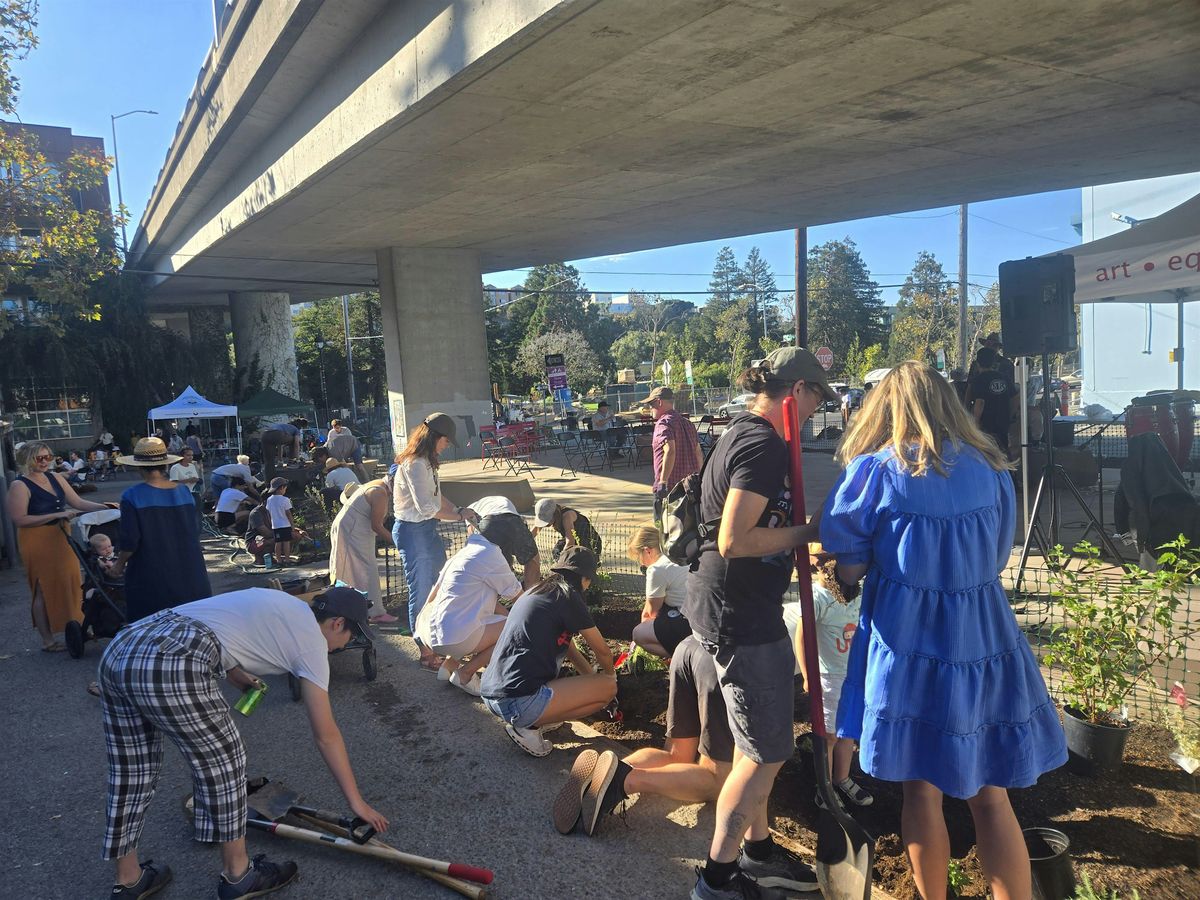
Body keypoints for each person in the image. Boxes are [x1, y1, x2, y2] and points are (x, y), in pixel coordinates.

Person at [820, 361, 1068, 900]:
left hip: (909, 643)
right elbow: (999, 554)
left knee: (921, 792)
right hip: (985, 636)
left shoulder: (876, 472)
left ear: (885, 408)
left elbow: (849, 568)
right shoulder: (991, 467)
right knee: (992, 796)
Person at [99, 586, 390, 900]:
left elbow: (216, 624)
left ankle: (128, 879)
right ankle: (239, 875)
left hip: (124, 646)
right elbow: (326, 734)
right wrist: (356, 802)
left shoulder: (281, 602)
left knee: (131, 773)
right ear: (337, 624)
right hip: (174, 657)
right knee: (225, 761)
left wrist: (233, 671)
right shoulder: (313, 645)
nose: (343, 646)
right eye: (351, 636)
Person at [685, 346, 834, 900]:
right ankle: (717, 879)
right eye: (818, 397)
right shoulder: (764, 444)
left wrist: (797, 549)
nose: (819, 410)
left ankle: (759, 851)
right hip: (740, 616)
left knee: (755, 745)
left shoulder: (739, 432)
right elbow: (735, 538)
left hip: (729, 605)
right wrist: (809, 533)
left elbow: (745, 532)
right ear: (797, 391)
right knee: (766, 753)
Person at [554, 635, 734, 837]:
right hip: (726, 657)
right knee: (717, 780)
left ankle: (610, 772)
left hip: (690, 646)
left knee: (677, 756)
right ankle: (624, 781)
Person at [481, 547, 616, 757]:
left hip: (494, 695)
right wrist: (610, 679)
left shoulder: (539, 592)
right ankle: (528, 728)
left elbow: (570, 649)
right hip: (518, 702)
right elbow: (603, 651)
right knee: (607, 689)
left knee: (599, 687)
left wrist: (590, 680)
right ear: (585, 578)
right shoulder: (570, 597)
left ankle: (540, 718)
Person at [6, 442, 115, 650]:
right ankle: (48, 640)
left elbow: (78, 502)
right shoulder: (19, 485)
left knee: (73, 581)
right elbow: (19, 519)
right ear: (28, 459)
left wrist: (107, 506)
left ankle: (81, 627)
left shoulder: (55, 477)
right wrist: (57, 514)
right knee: (42, 587)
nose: (46, 461)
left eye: (49, 457)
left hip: (61, 535)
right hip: (36, 538)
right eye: (40, 458)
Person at [392, 413, 478, 670]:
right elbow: (428, 507)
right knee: (421, 589)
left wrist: (460, 509)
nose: (447, 446)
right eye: (446, 441)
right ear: (435, 438)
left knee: (437, 584)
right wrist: (459, 515)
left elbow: (438, 497)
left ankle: (435, 642)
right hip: (414, 530)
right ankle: (424, 650)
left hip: (425, 530)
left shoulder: (427, 462)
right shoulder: (415, 464)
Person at [414, 513, 527, 696]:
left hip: (427, 630)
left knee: (483, 619)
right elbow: (521, 599)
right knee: (516, 629)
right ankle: (465, 674)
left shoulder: (465, 552)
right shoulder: (491, 554)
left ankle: (449, 665)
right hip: (453, 638)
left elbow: (434, 594)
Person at [794, 557, 873, 810]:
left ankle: (843, 779)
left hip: (853, 675)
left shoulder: (857, 595)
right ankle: (824, 788)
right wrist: (808, 674)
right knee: (828, 735)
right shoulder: (818, 598)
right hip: (828, 678)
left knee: (847, 732)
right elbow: (802, 635)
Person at [109, 438, 212, 622]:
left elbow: (130, 542)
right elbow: (193, 529)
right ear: (165, 464)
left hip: (152, 574)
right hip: (190, 571)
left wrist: (118, 565)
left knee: (151, 627)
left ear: (139, 467)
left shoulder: (132, 496)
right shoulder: (184, 492)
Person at [329, 476, 397, 624]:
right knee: (366, 570)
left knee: (356, 570)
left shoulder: (379, 486)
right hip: (352, 531)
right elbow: (377, 526)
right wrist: (397, 542)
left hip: (353, 529)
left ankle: (356, 609)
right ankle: (375, 612)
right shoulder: (380, 492)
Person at [626, 524, 690, 659]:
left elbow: (651, 612)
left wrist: (637, 642)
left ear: (647, 551)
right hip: (701, 616)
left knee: (639, 634)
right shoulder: (678, 554)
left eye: (639, 558)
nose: (642, 564)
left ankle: (681, 657)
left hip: (687, 621)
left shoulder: (657, 569)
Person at [468, 495, 542, 588]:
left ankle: (494, 593)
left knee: (486, 563)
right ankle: (530, 594)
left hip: (489, 523)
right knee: (531, 560)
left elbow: (472, 538)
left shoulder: (471, 509)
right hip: (512, 520)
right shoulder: (473, 508)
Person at [646, 386, 702, 499]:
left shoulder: (663, 424)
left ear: (659, 402)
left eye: (651, 404)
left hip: (670, 486)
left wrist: (662, 482)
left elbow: (670, 450)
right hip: (689, 485)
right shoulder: (687, 423)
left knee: (662, 517)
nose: (650, 408)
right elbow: (698, 452)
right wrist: (701, 477)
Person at [967, 346, 1019, 456]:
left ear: (977, 363)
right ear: (994, 362)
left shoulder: (978, 380)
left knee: (987, 453)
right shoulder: (1004, 377)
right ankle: (1007, 471)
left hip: (986, 423)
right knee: (1003, 450)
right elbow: (1015, 397)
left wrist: (975, 424)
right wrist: (1010, 414)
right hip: (1003, 420)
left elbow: (980, 402)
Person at [531, 497, 602, 562]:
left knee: (575, 559)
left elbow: (570, 541)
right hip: (574, 539)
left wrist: (562, 560)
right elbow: (533, 532)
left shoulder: (567, 516)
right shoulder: (545, 514)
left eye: (547, 520)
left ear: (554, 514)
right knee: (557, 551)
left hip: (589, 542)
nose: (545, 523)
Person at [265, 477, 302, 564]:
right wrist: (292, 526)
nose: (285, 490)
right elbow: (288, 514)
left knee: (278, 542)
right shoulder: (285, 500)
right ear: (281, 488)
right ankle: (287, 559)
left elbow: (268, 512)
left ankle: (279, 560)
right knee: (286, 542)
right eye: (285, 488)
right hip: (285, 525)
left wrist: (271, 522)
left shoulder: (269, 499)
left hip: (275, 525)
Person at [169, 446, 204, 521]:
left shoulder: (192, 466)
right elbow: (173, 482)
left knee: (197, 512)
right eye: (188, 455)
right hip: (182, 493)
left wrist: (196, 480)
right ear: (182, 456)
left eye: (192, 455)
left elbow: (196, 478)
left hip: (194, 492)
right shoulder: (175, 468)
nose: (190, 457)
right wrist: (187, 480)